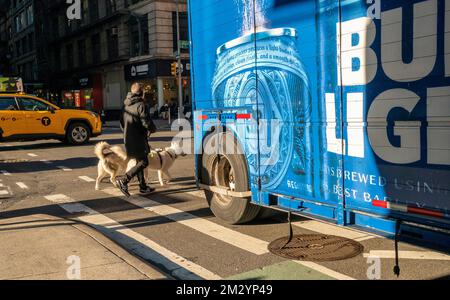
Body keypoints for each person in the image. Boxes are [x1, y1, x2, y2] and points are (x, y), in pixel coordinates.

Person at [116, 83, 156, 197]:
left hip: (128, 139)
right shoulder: (141, 105)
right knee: (144, 162)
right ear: (142, 92)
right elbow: (146, 122)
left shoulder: (124, 105)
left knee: (139, 161)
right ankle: (124, 180)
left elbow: (121, 124)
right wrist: (152, 129)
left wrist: (127, 133)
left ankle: (143, 187)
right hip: (139, 139)